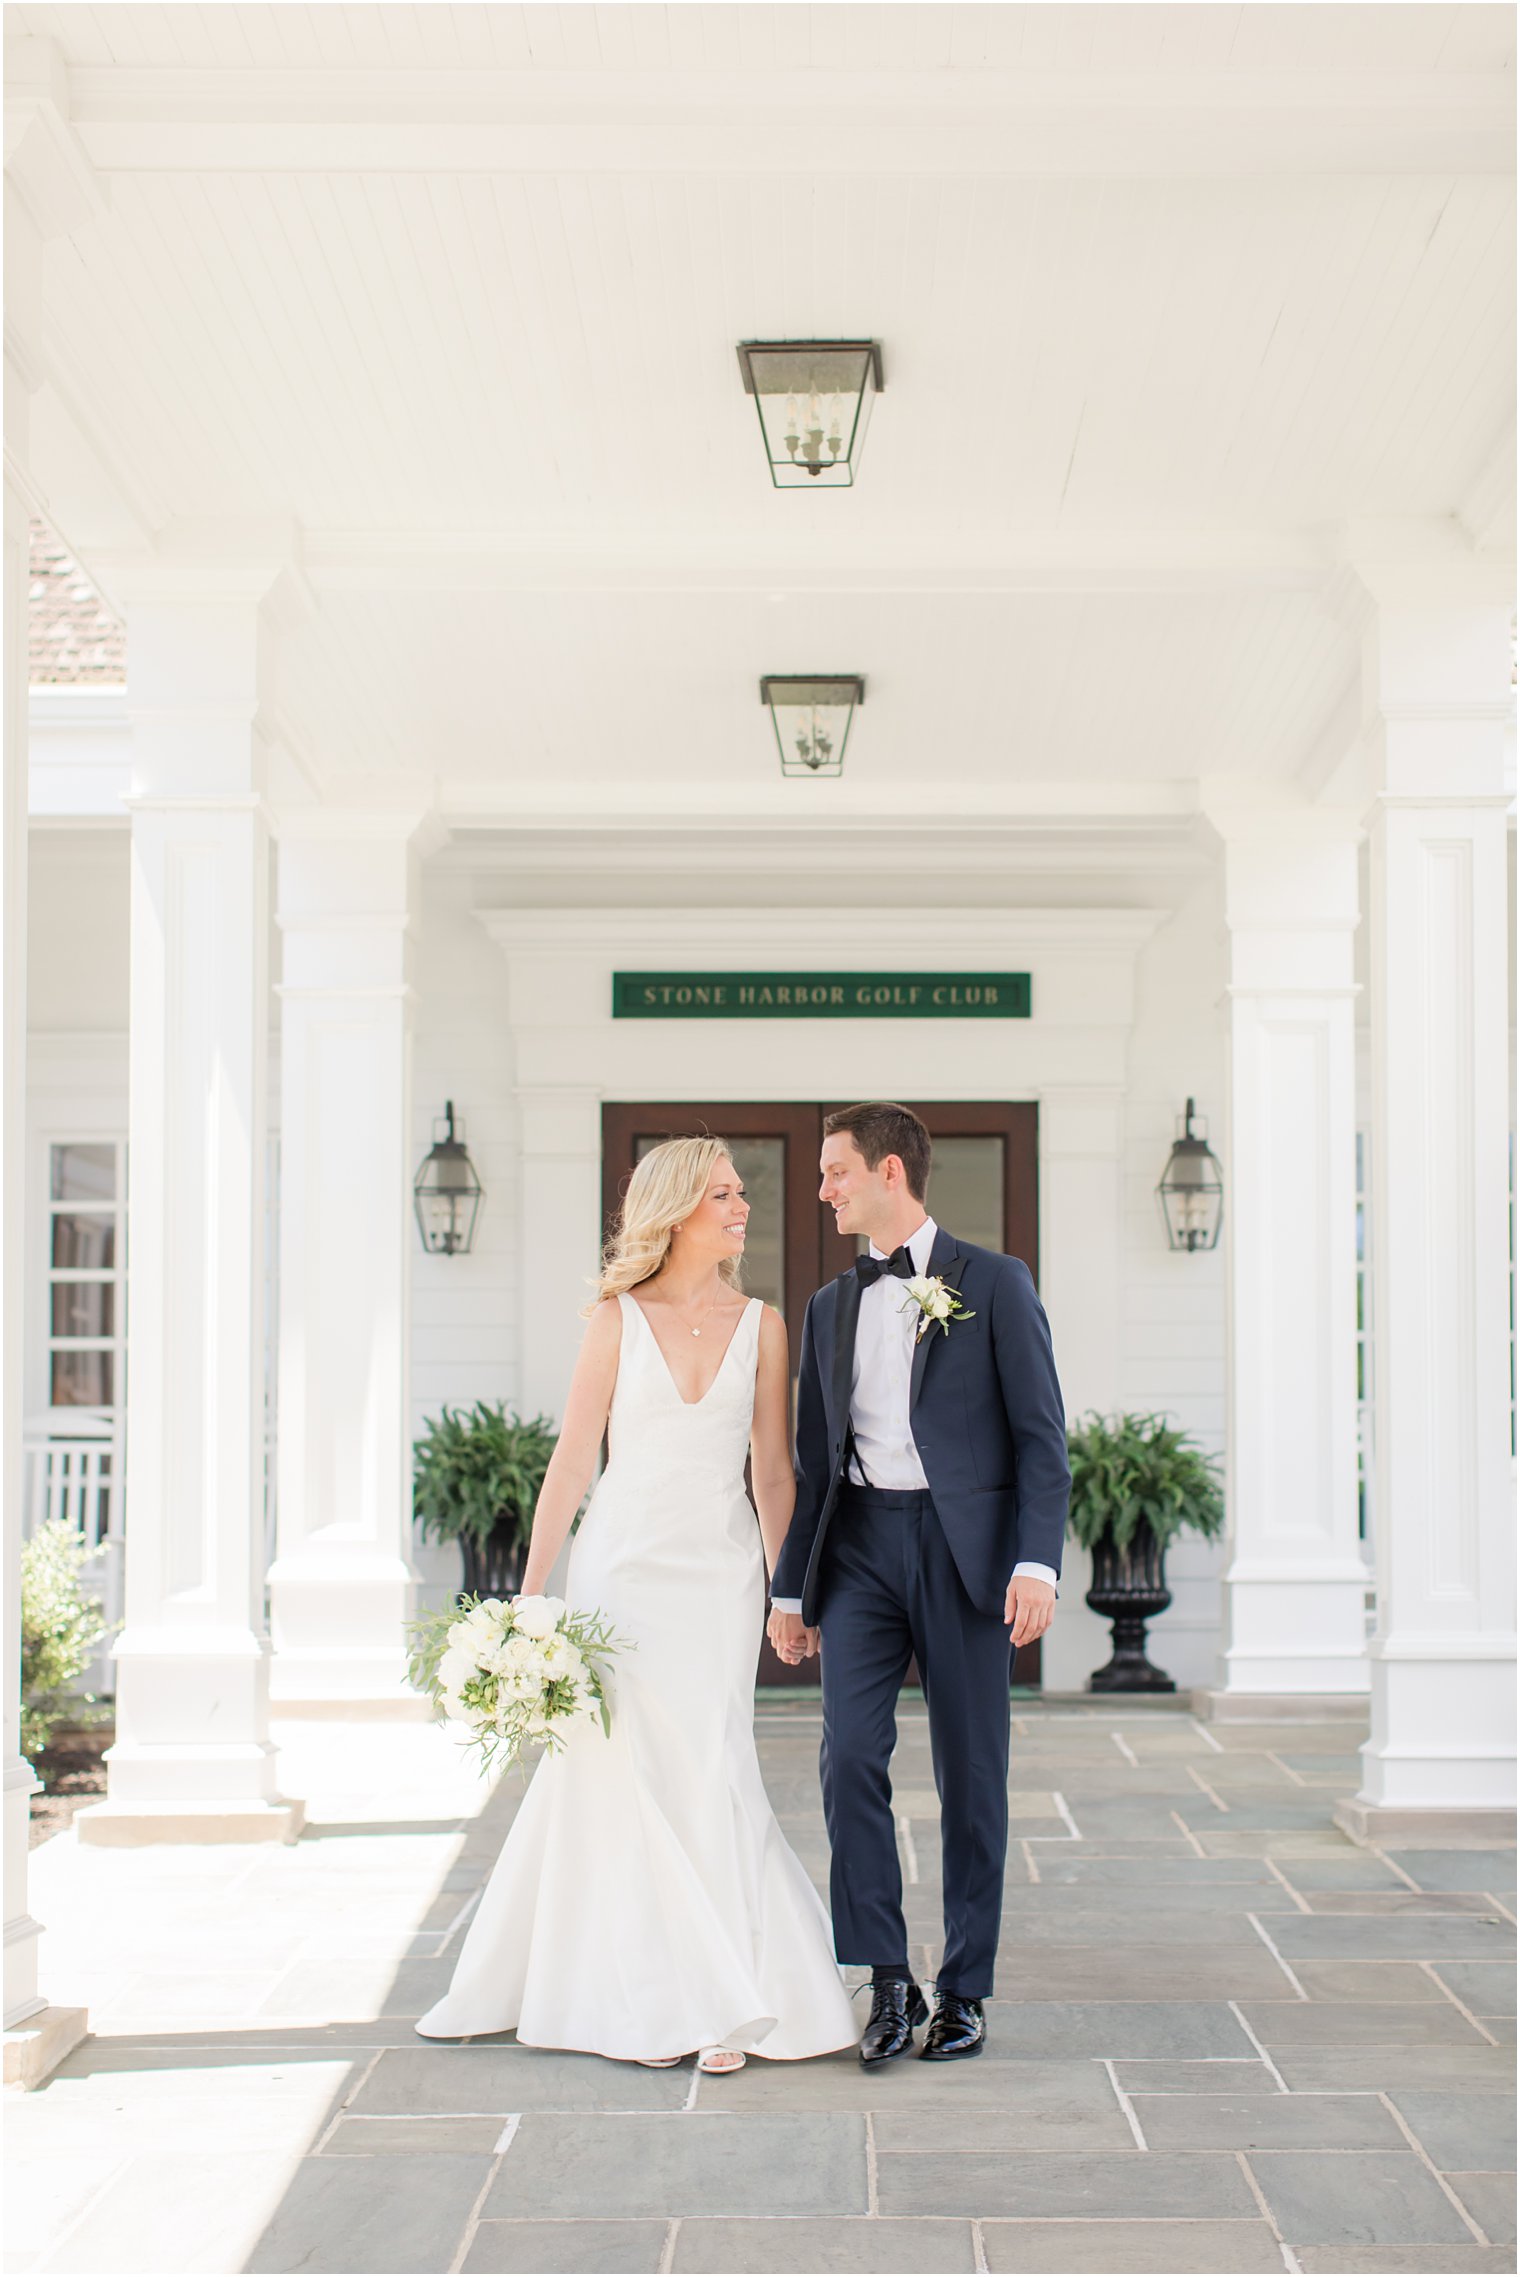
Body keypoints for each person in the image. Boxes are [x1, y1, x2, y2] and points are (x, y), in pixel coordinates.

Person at [416, 1136, 855, 2072]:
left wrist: (789, 1589)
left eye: (742, 1192)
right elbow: (573, 1460)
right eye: (725, 1194)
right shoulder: (616, 1318)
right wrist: (527, 1596)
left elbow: (774, 1471)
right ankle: (660, 1997)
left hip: (721, 1574)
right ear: (678, 1209)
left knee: (711, 1760)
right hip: (621, 1574)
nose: (743, 1207)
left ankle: (728, 1986)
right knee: (623, 1771)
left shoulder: (765, 1324)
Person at [768, 1101, 1070, 2065]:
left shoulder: (996, 1282)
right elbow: (818, 1465)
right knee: (847, 1754)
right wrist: (788, 1592)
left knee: (972, 1772)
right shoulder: (828, 1306)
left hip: (965, 1553)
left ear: (890, 1172)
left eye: (836, 1172)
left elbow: (1041, 1439)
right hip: (858, 1548)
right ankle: (886, 1977)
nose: (824, 1190)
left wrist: (1036, 1562)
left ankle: (966, 1987)